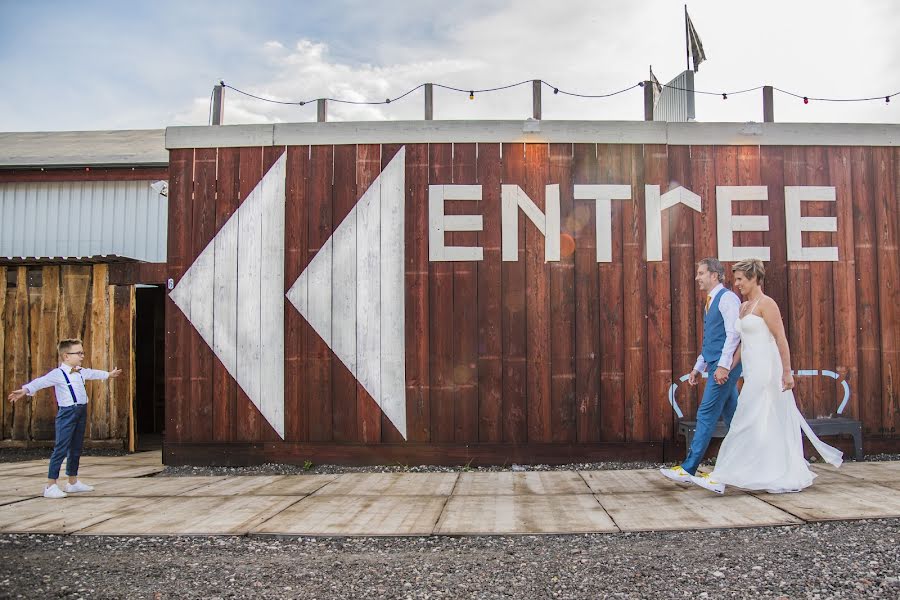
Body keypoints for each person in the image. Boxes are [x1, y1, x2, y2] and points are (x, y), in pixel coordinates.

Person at [690, 259, 843, 494]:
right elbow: (742, 344)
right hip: (751, 373)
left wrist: (787, 372)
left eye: (741, 279)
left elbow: (781, 339)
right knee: (756, 422)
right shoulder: (743, 307)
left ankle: (721, 476)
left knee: (743, 421)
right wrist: (728, 369)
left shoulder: (767, 304)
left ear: (754, 278)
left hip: (766, 372)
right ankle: (758, 470)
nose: (737, 283)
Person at [660, 258, 743, 483]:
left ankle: (688, 468)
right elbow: (711, 340)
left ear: (714, 275)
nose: (697, 278)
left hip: (724, 366)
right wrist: (698, 367)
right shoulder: (710, 301)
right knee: (734, 418)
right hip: (716, 364)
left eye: (701, 273)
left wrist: (724, 366)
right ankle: (753, 463)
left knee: (706, 414)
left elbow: (734, 335)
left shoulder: (727, 299)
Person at [7, 338, 122, 499]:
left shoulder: (80, 371)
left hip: (81, 411)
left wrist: (109, 374)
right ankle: (50, 485)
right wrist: (25, 389)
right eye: (79, 353)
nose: (82, 355)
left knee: (76, 447)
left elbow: (92, 373)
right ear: (66, 356)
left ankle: (72, 482)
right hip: (67, 413)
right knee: (61, 448)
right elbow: (40, 382)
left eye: (83, 352)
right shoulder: (58, 374)